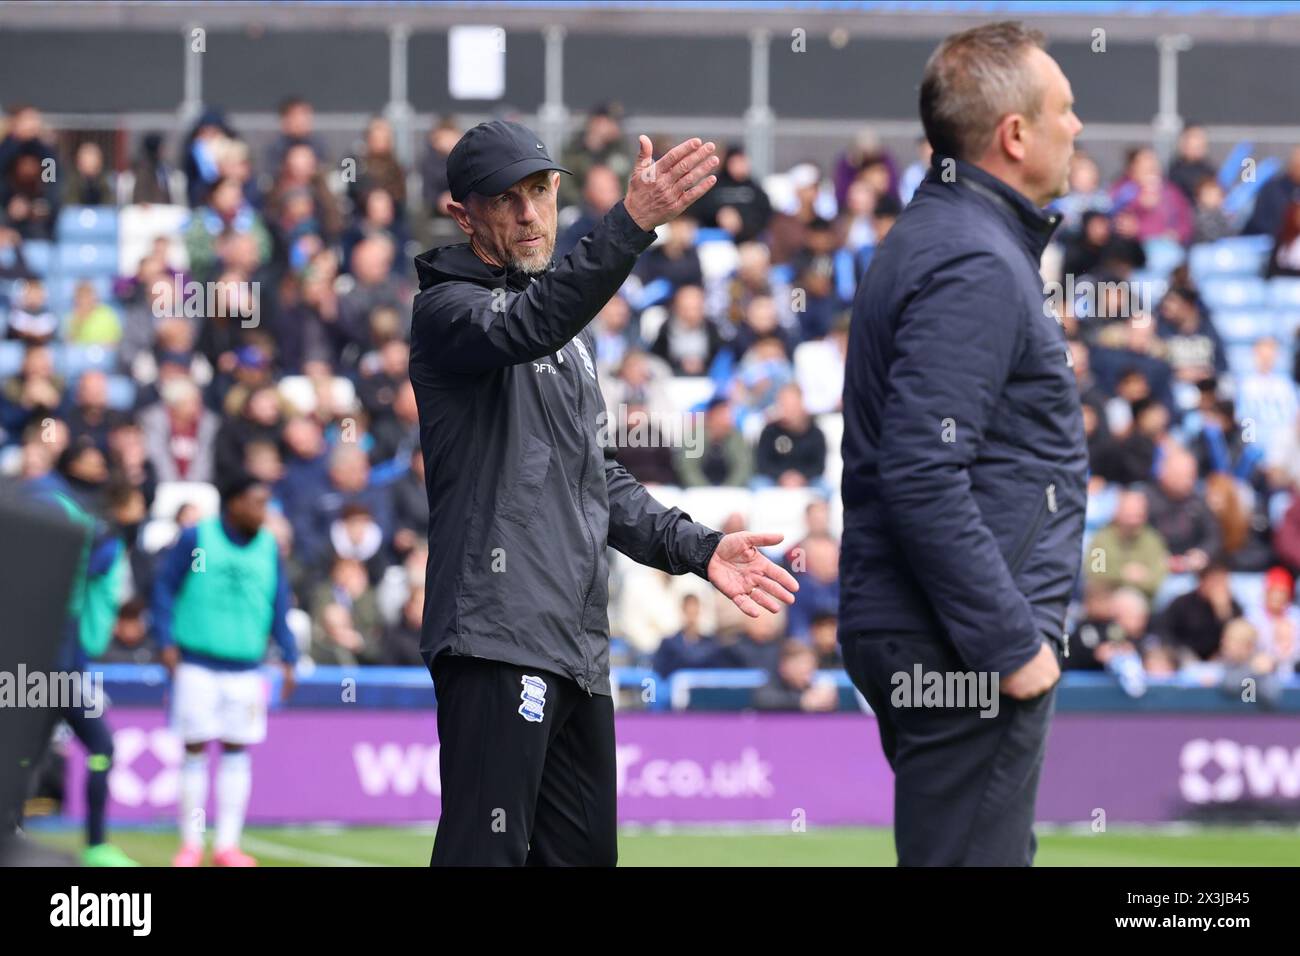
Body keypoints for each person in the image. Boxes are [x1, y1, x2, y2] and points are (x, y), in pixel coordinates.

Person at [408, 120, 798, 866]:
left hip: (577, 646)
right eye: (505, 200)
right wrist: (630, 225)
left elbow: (600, 480)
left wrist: (702, 547)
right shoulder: (449, 311)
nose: (529, 214)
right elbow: (529, 320)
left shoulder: (572, 344)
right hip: (496, 632)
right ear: (463, 215)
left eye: (539, 191)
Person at [839, 21, 1086, 866]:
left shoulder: (945, 237)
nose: (1078, 128)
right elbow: (920, 468)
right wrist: (1009, 643)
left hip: (936, 629)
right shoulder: (973, 259)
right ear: (1015, 134)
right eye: (1066, 110)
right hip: (962, 641)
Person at [151, 474, 299, 867]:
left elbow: (279, 604)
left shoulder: (269, 548)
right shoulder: (196, 538)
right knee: (194, 748)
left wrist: (289, 656)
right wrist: (164, 641)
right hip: (197, 663)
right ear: (233, 503)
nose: (262, 512)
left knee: (237, 750)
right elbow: (164, 588)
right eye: (256, 502)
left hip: (247, 668)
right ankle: (191, 844)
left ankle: (227, 846)